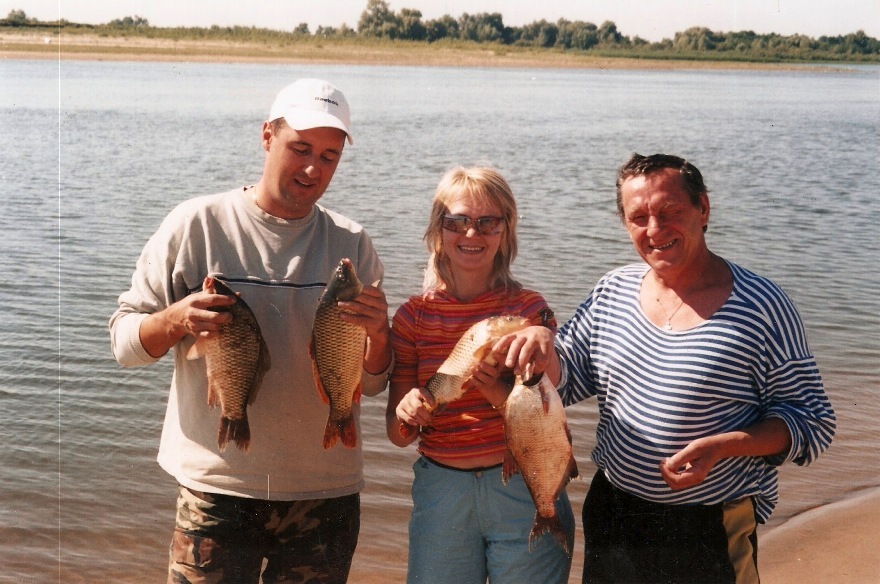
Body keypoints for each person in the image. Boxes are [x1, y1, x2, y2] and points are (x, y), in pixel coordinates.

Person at [495, 153, 836, 584]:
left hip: (710, 526)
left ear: (703, 209)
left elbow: (813, 423)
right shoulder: (612, 291)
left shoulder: (763, 307)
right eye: (639, 217)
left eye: (670, 212)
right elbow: (567, 378)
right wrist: (542, 340)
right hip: (616, 516)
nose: (655, 230)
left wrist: (722, 446)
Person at [110, 78, 392, 584]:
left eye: (329, 157)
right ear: (267, 136)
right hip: (216, 490)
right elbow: (125, 344)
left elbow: (370, 383)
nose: (312, 169)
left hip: (324, 491)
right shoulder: (195, 224)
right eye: (300, 148)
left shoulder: (352, 243)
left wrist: (381, 336)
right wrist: (178, 318)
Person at [386, 167, 575, 584]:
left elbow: (553, 393)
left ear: (506, 230)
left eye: (488, 222)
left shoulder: (528, 311)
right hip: (442, 492)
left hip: (526, 484)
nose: (472, 235)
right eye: (458, 222)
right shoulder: (411, 318)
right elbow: (398, 436)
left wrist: (538, 342)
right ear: (438, 229)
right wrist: (407, 410)